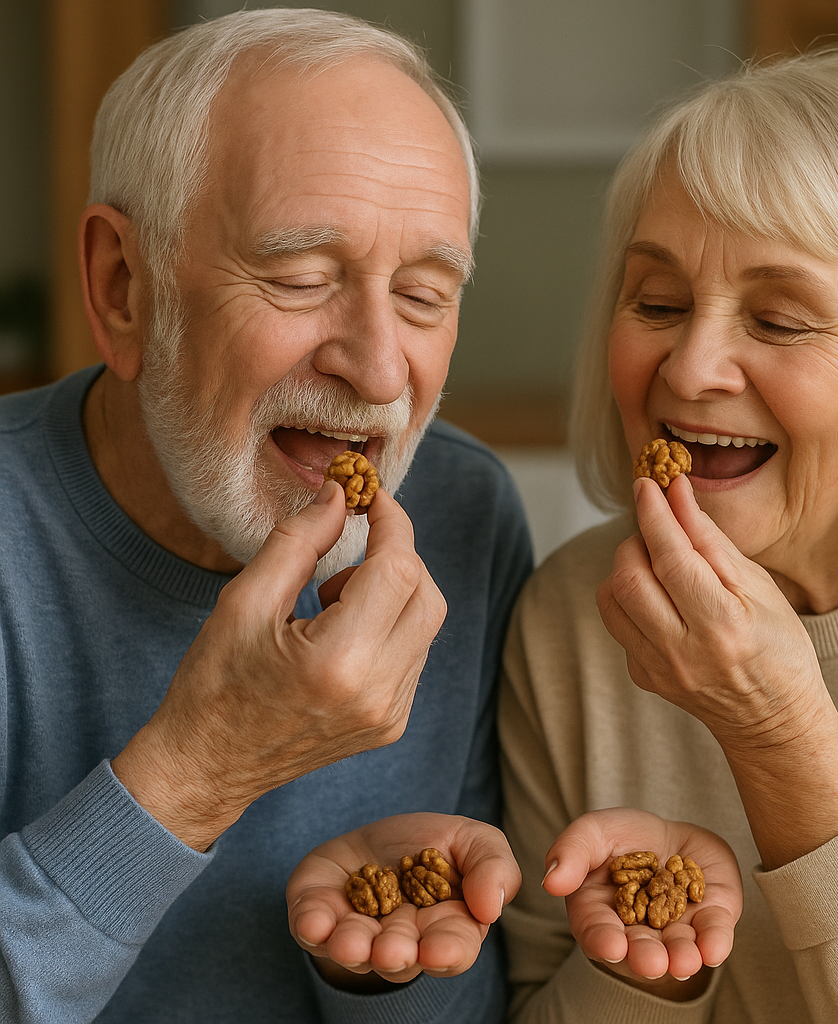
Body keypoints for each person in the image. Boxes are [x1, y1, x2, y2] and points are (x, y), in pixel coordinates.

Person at [0, 9, 532, 1023]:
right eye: (298, 278)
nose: (378, 370)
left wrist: (378, 969)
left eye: (423, 296)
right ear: (124, 288)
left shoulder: (464, 514)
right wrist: (204, 767)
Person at [499, 46, 838, 1022]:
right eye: (656, 303)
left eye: (779, 320)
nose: (691, 366)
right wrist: (643, 969)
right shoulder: (573, 612)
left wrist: (778, 732)